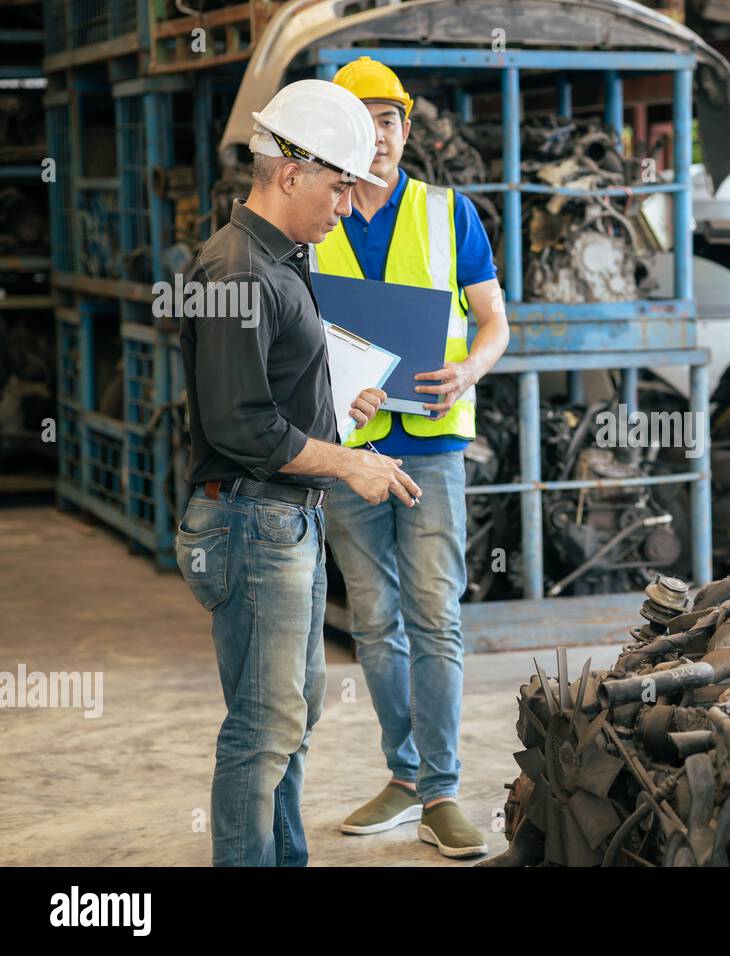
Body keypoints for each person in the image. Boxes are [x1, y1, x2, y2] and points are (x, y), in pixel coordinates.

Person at [175, 79, 423, 866]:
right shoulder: (239, 272)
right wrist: (350, 464)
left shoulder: (280, 260)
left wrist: (340, 407)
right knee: (264, 724)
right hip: (252, 519)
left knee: (291, 715)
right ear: (291, 173)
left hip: (283, 516)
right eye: (341, 185)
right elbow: (240, 423)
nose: (348, 206)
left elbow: (272, 394)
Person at [312, 56, 509, 859]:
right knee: (376, 622)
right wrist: (334, 388)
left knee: (435, 617)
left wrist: (468, 369)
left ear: (404, 128)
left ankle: (442, 790)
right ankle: (404, 777)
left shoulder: (448, 212)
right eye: (365, 123)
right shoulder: (313, 220)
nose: (382, 136)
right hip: (349, 452)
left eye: (391, 121)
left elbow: (495, 322)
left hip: (430, 448)